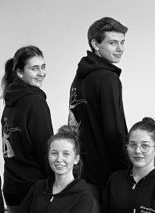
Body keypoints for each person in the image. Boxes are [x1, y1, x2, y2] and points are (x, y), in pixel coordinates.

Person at [68, 17, 128, 196]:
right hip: (106, 176)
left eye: (122, 43)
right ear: (95, 44)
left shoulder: (79, 77)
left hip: (81, 171)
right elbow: (114, 129)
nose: (120, 49)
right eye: (112, 43)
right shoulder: (108, 78)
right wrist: (126, 168)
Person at [1, 45, 53, 213]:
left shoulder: (10, 100)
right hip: (33, 189)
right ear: (20, 72)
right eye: (34, 68)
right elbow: (45, 148)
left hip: (11, 186)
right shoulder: (35, 101)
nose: (41, 73)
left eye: (43, 67)